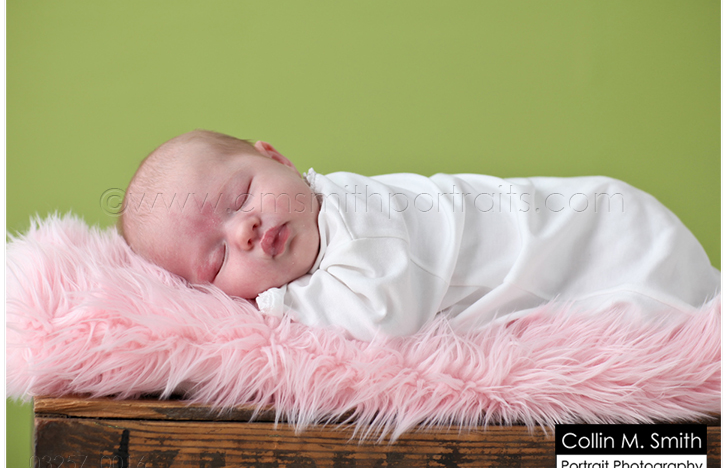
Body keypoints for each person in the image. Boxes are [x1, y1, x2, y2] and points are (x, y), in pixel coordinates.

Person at [119, 129, 721, 341]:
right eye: (217, 258)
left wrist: (270, 306)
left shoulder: (361, 219)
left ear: (277, 157)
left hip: (604, 238)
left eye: (240, 197)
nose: (245, 230)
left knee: (653, 332)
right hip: (596, 229)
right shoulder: (318, 228)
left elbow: (381, 317)